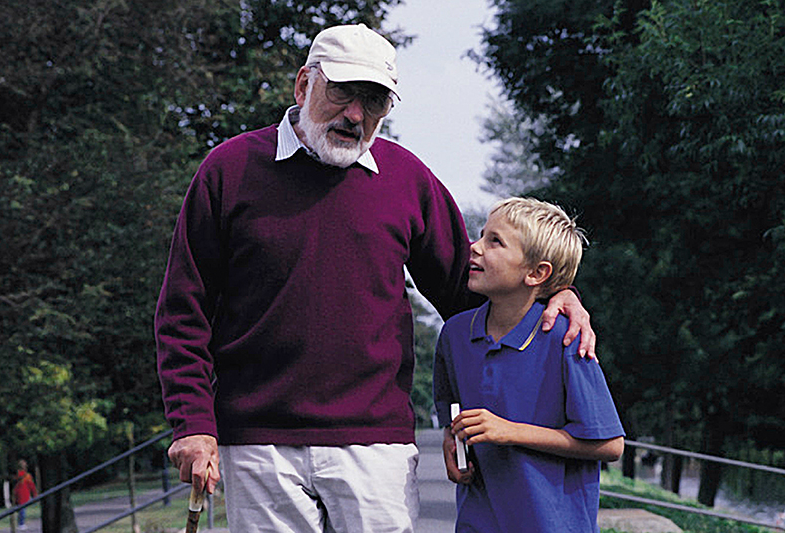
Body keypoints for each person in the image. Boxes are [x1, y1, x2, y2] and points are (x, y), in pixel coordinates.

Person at [155, 24, 595, 533]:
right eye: (342, 93)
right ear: (303, 86)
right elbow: (182, 314)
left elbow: (472, 296)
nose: (356, 115)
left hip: (376, 446)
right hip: (257, 441)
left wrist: (555, 291)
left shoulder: (407, 179)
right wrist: (192, 425)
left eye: (375, 101)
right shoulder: (227, 171)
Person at [434, 197, 625, 533]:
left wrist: (510, 432)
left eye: (495, 241)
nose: (474, 247)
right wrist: (453, 443)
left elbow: (610, 445)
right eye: (481, 235)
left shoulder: (568, 338)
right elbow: (452, 416)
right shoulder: (454, 335)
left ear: (537, 273)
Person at [12, 459, 37, 530]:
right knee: (22, 510)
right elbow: (32, 486)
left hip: (20, 494)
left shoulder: (18, 475)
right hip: (23, 495)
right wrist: (34, 494)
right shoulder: (27, 475)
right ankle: (21, 524)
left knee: (22, 509)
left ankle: (20, 523)